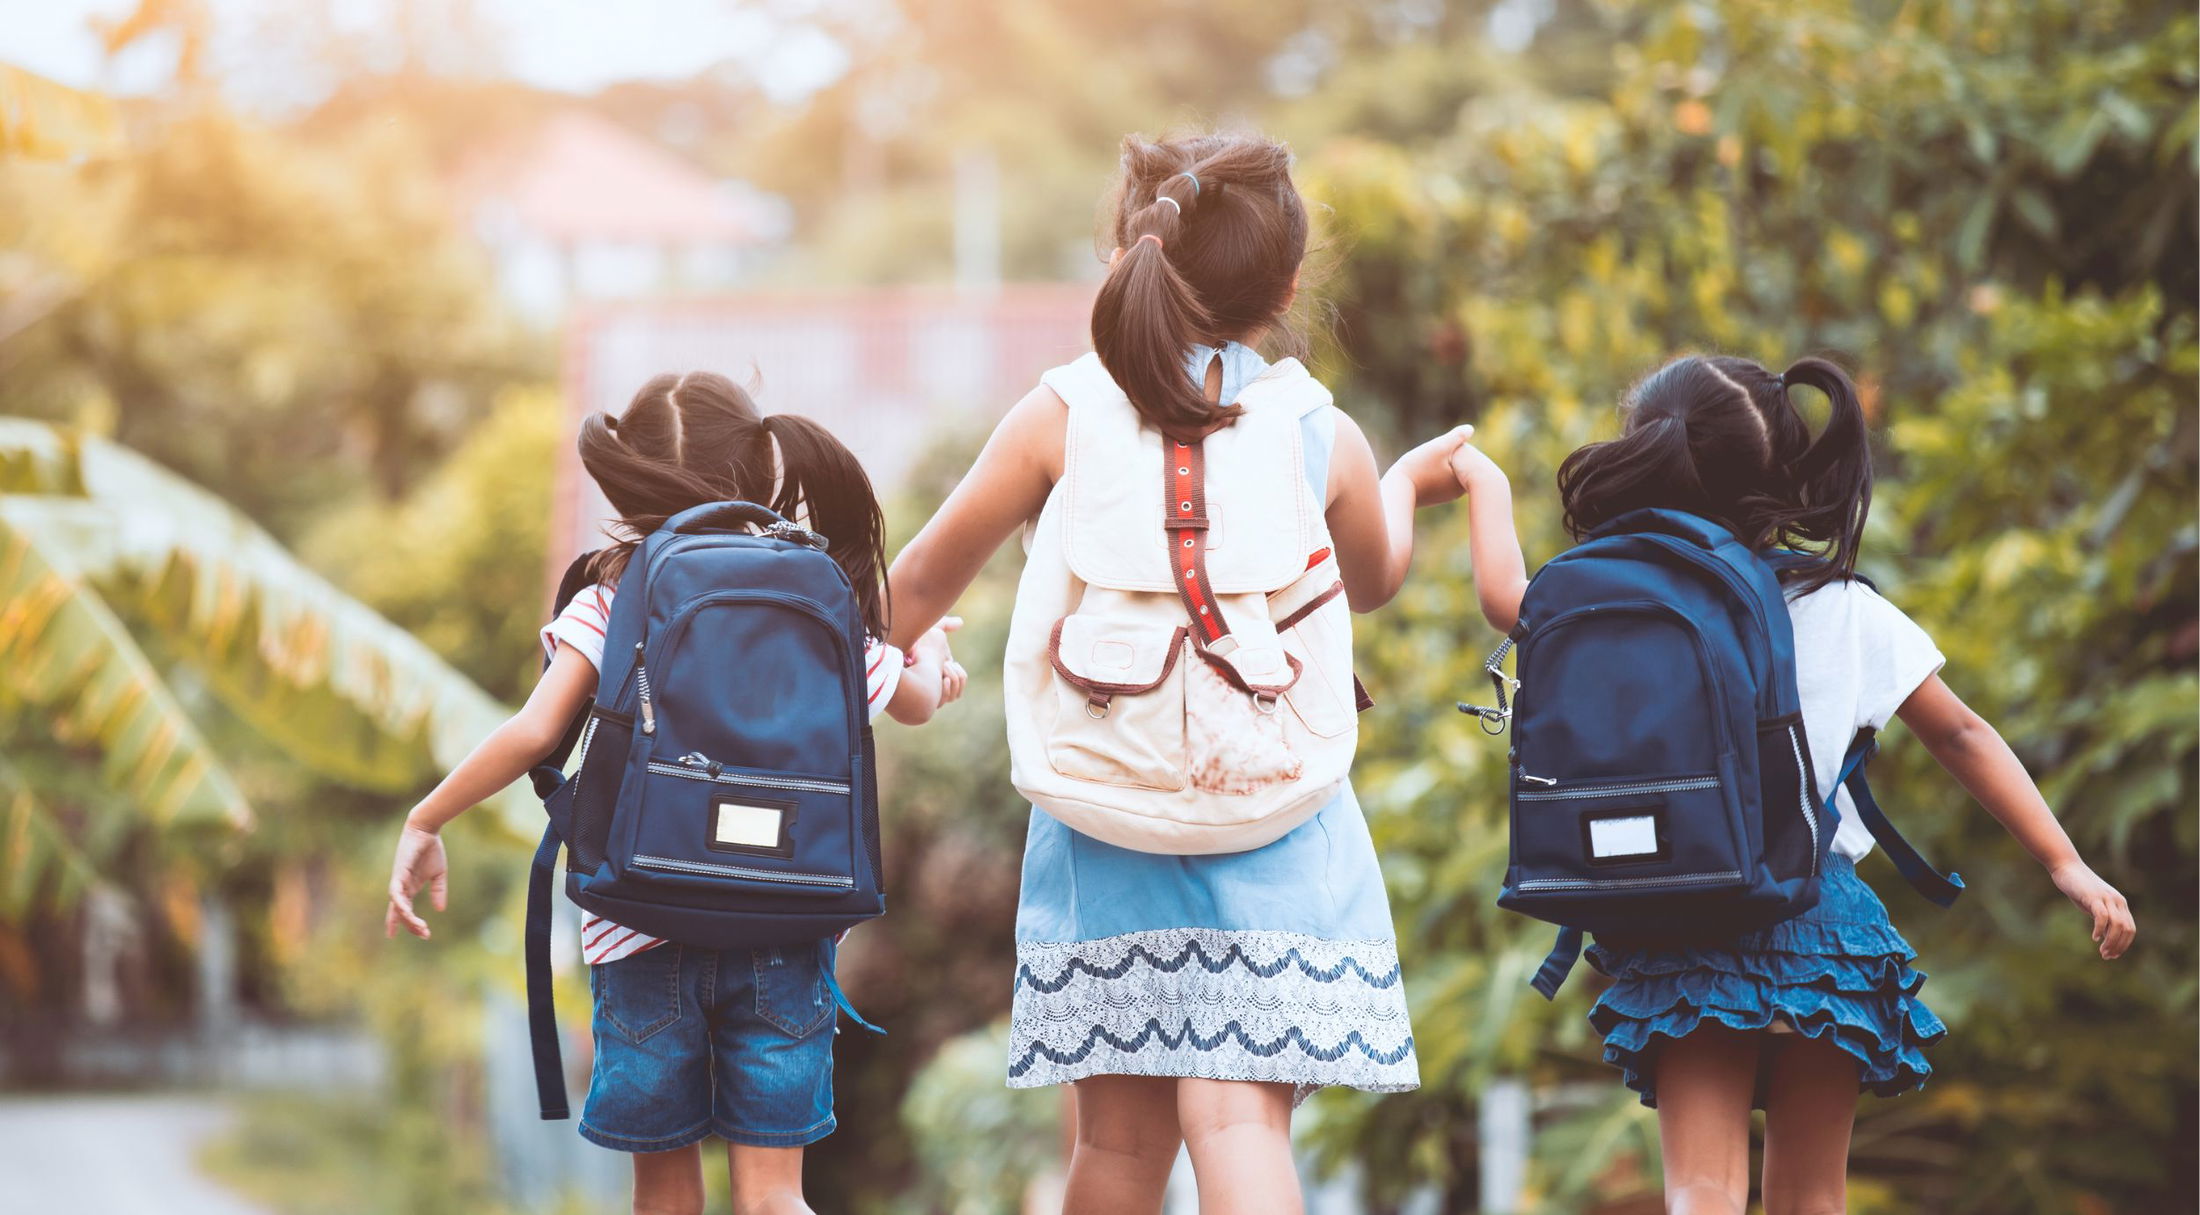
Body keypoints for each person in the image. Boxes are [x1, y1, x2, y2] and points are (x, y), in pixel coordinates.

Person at [885, 131, 1471, 1215]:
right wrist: (1398, 481)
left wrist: (911, 646)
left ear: (1127, 255)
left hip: (1106, 807)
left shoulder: (1058, 413)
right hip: (1277, 809)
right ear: (1289, 283)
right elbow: (1376, 577)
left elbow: (913, 583)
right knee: (1238, 1119)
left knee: (1115, 1150)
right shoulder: (1316, 429)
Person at [1449, 353, 2136, 1215]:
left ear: (1647, 460)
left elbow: (1504, 594)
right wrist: (2064, 862)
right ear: (1778, 473)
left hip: (1686, 925)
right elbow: (1962, 733)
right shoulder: (1842, 607)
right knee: (1813, 1197)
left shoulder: (1612, 600)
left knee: (1702, 1192)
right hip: (1822, 932)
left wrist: (1480, 480)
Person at [384, 371, 966, 1215]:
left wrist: (426, 814)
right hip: (787, 925)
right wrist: (935, 664)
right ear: (757, 469)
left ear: (631, 483)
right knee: (773, 1200)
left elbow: (532, 734)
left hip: (642, 926)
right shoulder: (819, 593)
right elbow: (910, 701)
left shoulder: (615, 598)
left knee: (665, 1193)